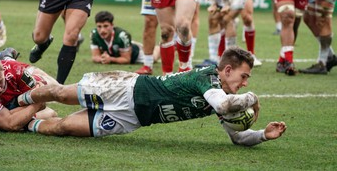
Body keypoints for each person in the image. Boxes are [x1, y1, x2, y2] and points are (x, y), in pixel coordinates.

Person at [16, 47, 287, 147]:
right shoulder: (207, 78)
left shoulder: (223, 95)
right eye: (243, 76)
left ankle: (24, 123)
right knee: (61, 93)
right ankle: (18, 100)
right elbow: (226, 104)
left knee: (65, 127)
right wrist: (254, 98)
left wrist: (263, 134)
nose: (245, 83)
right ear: (227, 70)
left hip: (132, 118)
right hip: (126, 88)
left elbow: (238, 137)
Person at [0, 49, 58, 131]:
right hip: (11, 100)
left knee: (55, 87)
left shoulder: (15, 70)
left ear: (3, 71)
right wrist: (37, 105)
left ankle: (7, 58)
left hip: (17, 72)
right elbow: (9, 123)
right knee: (49, 113)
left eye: (0, 82)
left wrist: (40, 86)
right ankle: (7, 57)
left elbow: (42, 92)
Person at [90, 11, 158, 65]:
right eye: (99, 26)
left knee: (153, 59)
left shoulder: (122, 36)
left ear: (112, 25)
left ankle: (159, 48)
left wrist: (110, 59)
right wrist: (102, 59)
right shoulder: (94, 34)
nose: (102, 30)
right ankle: (131, 43)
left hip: (135, 54)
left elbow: (126, 59)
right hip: (117, 51)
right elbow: (95, 57)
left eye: (105, 26)